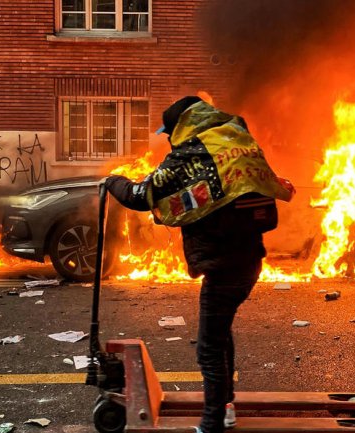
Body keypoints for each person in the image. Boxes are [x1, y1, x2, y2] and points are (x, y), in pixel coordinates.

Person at [104, 96, 294, 433]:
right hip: (249, 259)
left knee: (208, 349)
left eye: (170, 132)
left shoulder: (189, 154)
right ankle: (227, 405)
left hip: (222, 264)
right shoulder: (235, 142)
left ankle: (212, 424)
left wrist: (112, 181)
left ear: (182, 126)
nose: (169, 138)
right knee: (220, 334)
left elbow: (140, 195)